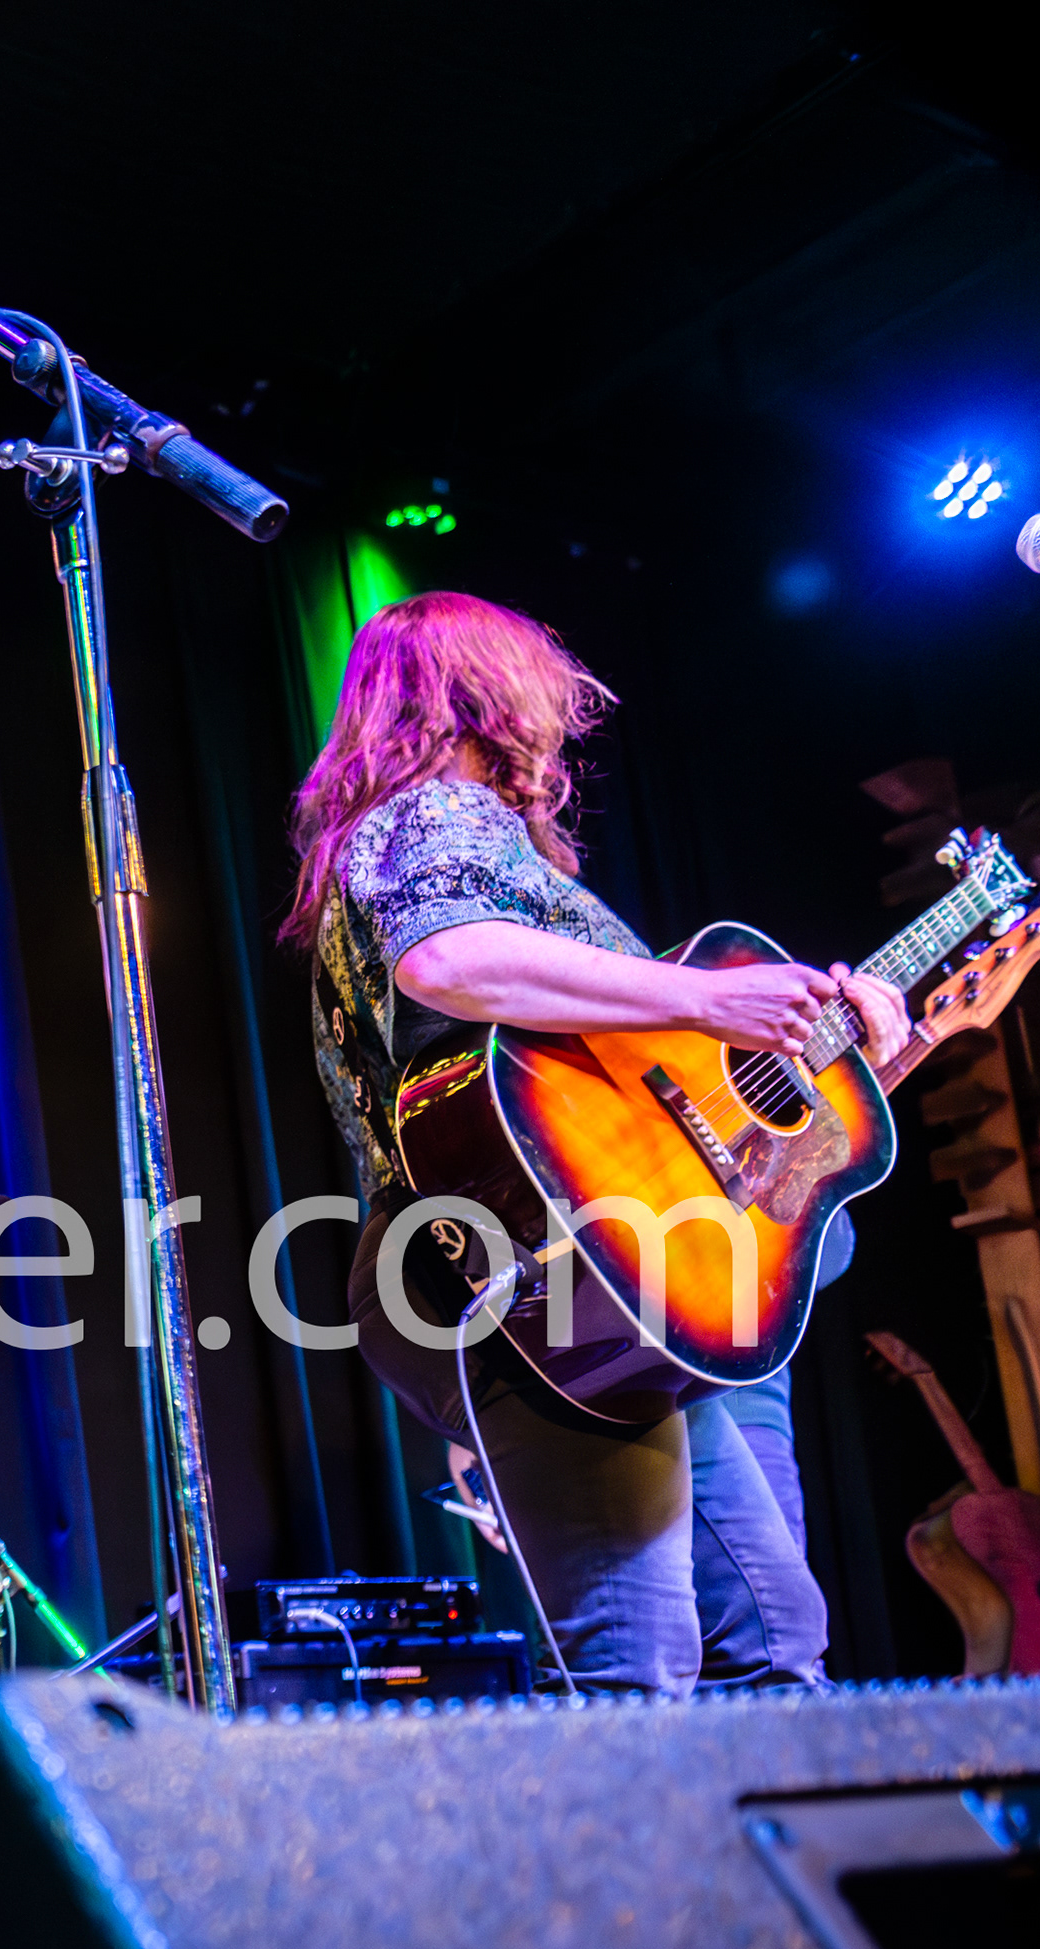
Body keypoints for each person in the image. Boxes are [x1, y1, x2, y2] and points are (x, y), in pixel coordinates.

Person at [286, 591, 905, 1691]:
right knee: (639, 1653)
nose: (561, 722)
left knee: (769, 1638)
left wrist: (856, 1061)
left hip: (587, 1271)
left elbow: (696, 1130)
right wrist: (709, 999)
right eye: (544, 687)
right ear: (485, 689)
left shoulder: (485, 854)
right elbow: (447, 961)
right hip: (506, 1264)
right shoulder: (431, 812)